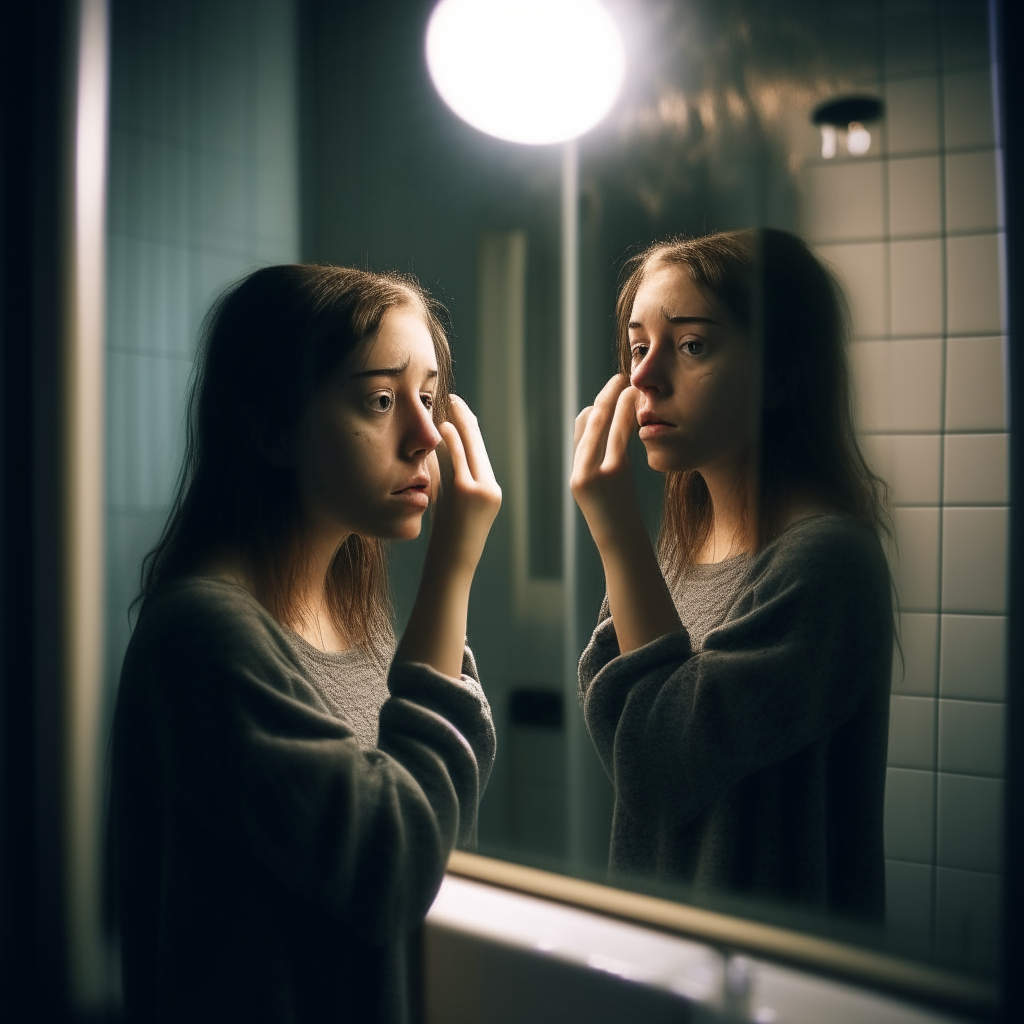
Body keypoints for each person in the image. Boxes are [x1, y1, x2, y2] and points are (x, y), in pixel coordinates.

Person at [109, 264, 500, 1023]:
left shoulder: (357, 625)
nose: (426, 437)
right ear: (272, 428)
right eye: (382, 400)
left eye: (427, 399)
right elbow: (395, 859)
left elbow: (432, 844)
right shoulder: (205, 638)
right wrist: (453, 565)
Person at [571, 229, 893, 920]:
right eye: (637, 347)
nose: (644, 377)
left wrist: (615, 526)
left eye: (692, 345)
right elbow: (621, 734)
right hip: (668, 960)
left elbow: (658, 768)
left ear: (779, 373)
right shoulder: (678, 559)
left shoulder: (826, 563)